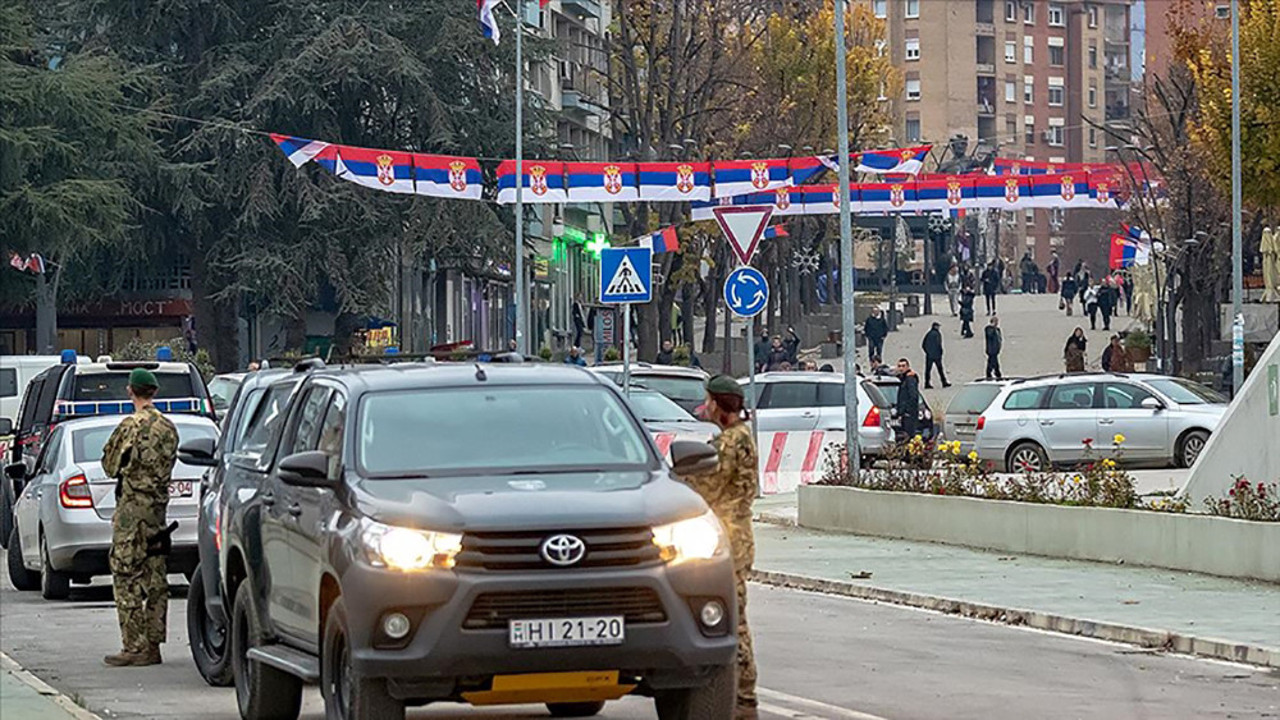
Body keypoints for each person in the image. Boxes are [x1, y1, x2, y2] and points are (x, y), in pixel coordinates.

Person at [678, 376, 759, 719]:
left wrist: (677, 483)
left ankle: (743, 699)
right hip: (738, 535)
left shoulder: (728, 443)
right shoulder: (741, 436)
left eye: (710, 400)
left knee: (732, 620)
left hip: (727, 538)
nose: (706, 407)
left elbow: (707, 488)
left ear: (720, 404)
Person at [101, 369, 179, 667]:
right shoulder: (169, 427)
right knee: (156, 576)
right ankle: (154, 644)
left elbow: (110, 465)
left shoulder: (130, 426)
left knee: (125, 572)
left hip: (132, 511)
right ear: (154, 392)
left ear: (130, 391)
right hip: (158, 510)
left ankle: (134, 645)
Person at [895, 358, 921, 439]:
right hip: (904, 414)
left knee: (909, 436)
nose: (901, 368)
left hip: (909, 415)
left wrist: (907, 411)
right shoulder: (902, 378)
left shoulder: (910, 379)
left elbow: (913, 396)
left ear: (908, 367)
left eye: (903, 366)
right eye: (899, 366)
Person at [921, 322, 950, 389]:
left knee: (928, 370)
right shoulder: (937, 334)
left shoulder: (928, 334)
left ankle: (927, 383)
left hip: (929, 355)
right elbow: (939, 344)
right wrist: (940, 352)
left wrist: (927, 352)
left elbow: (923, 344)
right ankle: (944, 382)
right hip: (937, 355)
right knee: (940, 369)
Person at [984, 316, 1003, 380]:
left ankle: (992, 373)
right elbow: (989, 334)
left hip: (996, 349)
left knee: (992, 362)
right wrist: (992, 326)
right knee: (993, 362)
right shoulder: (989, 329)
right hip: (991, 349)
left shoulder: (997, 329)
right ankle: (996, 374)